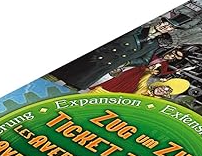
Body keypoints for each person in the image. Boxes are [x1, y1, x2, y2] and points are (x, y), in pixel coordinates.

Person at [50, 14, 190, 89]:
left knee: (73, 85)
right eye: (166, 24)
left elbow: (145, 60)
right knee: (60, 76)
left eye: (170, 28)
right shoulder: (137, 29)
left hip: (109, 65)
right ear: (160, 22)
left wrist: (127, 62)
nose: (166, 27)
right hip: (94, 56)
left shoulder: (154, 44)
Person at [88, 48, 185, 95]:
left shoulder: (164, 65)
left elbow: (160, 73)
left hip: (137, 75)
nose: (171, 56)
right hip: (132, 67)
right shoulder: (155, 53)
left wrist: (173, 72)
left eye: (173, 57)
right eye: (172, 54)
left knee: (119, 86)